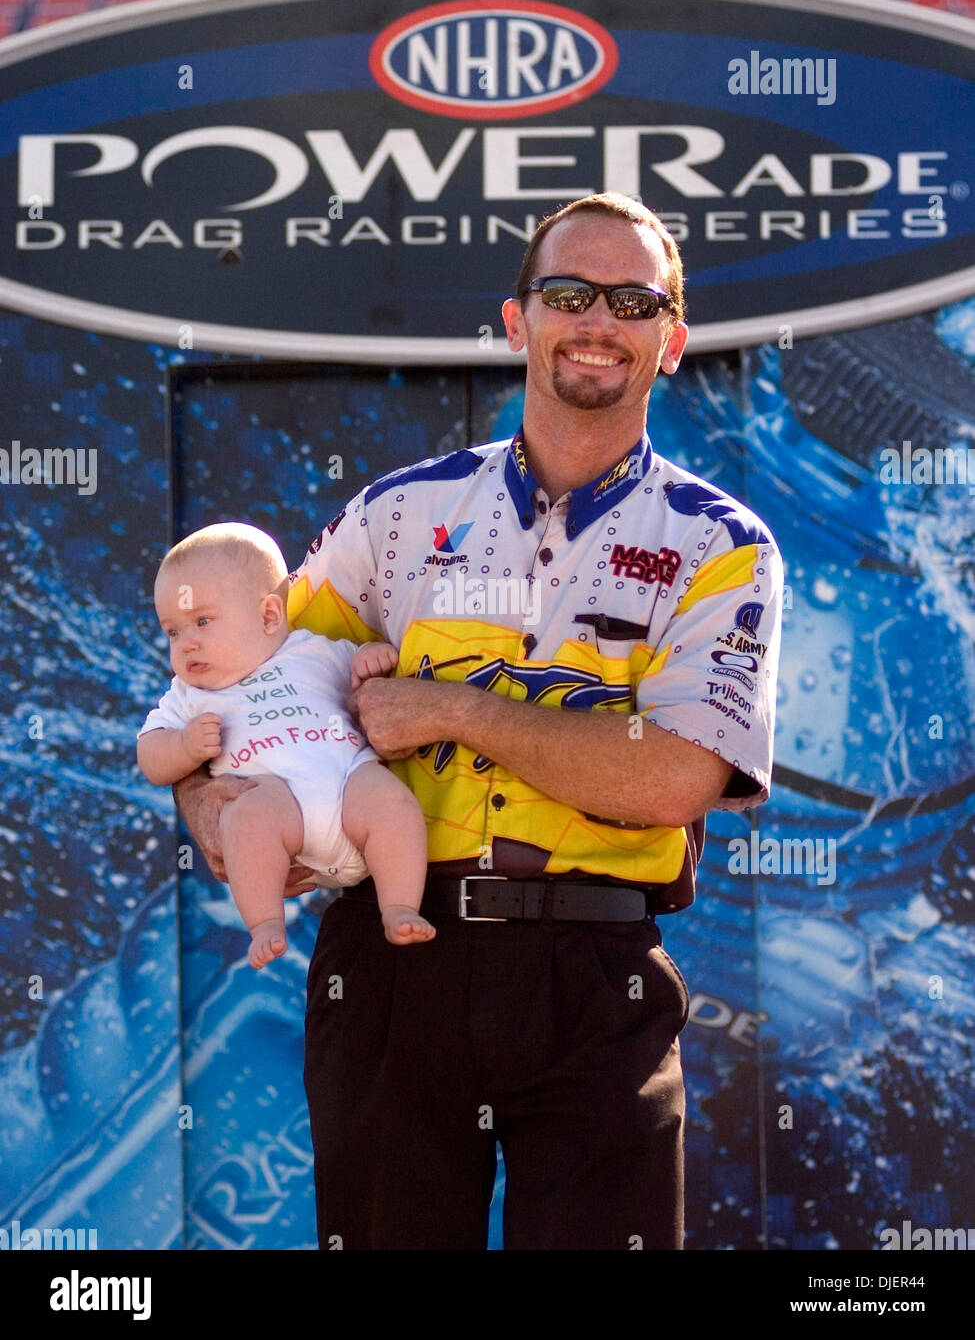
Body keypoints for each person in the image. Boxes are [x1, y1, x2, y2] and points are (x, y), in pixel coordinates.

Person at [176, 193, 783, 1250]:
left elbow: (677, 776)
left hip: (596, 975)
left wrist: (450, 708)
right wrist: (207, 795)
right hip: (395, 959)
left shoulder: (722, 545)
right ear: (518, 320)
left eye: (632, 300)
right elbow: (237, 685)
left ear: (670, 341)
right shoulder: (396, 513)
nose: (598, 319)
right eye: (568, 293)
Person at [138, 523, 434, 965]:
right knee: (247, 819)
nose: (187, 644)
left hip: (349, 787)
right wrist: (182, 747)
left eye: (202, 621)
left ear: (269, 616)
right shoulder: (188, 696)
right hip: (277, 806)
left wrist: (370, 664)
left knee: (394, 805)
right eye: (173, 632)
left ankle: (398, 907)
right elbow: (150, 757)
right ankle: (266, 923)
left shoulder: (315, 652)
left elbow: (363, 687)